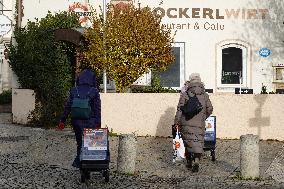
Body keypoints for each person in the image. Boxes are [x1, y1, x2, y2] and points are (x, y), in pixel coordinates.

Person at [58, 69, 101, 168]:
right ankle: (91, 162)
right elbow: (97, 109)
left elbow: (68, 106)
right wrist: (98, 123)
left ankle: (79, 161)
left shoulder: (74, 90)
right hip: (91, 122)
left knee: (79, 142)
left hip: (76, 121)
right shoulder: (94, 91)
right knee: (91, 143)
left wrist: (62, 120)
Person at [174, 73, 213, 172]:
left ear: (190, 82)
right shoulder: (205, 95)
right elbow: (210, 109)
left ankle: (189, 162)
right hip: (199, 123)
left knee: (187, 142)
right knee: (198, 142)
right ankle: (196, 160)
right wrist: (203, 117)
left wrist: (176, 122)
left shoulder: (185, 94)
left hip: (186, 122)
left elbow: (180, 110)